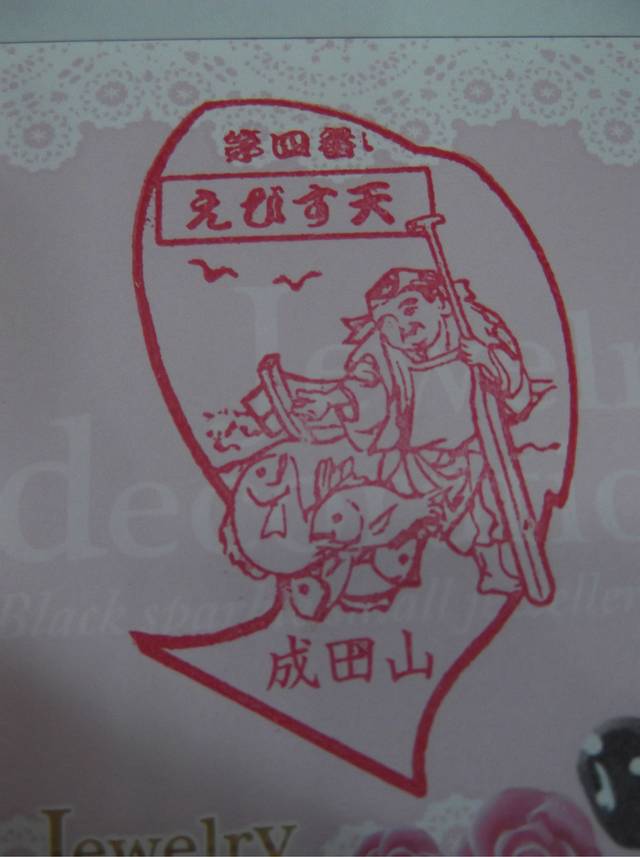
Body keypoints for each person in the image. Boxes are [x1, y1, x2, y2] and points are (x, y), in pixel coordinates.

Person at [288, 266, 538, 598]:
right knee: (397, 520)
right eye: (388, 322)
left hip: (476, 451)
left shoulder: (472, 332)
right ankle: (339, 575)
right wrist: (330, 401)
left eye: (410, 309)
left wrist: (486, 358)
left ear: (441, 303)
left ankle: (494, 572)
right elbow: (362, 384)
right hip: (421, 459)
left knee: (483, 516)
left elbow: (514, 384)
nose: (403, 326)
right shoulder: (382, 351)